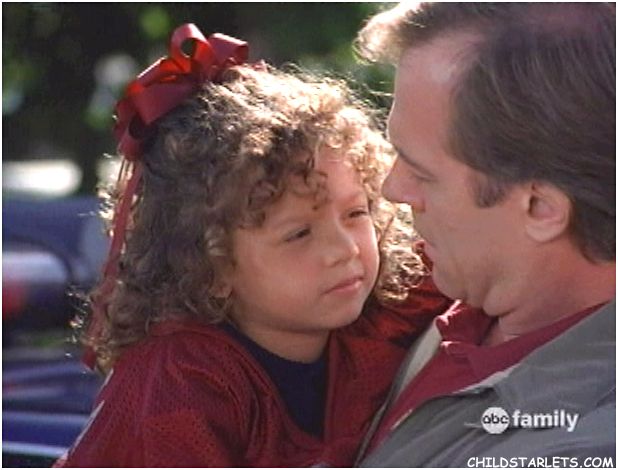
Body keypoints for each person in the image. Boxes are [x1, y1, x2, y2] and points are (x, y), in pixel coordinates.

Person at [56, 24, 452, 467]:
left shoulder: (378, 313)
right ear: (211, 265)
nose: (345, 249)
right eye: (299, 234)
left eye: (356, 213)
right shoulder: (181, 381)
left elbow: (484, 262)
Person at [353, 2, 616, 467]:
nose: (392, 189)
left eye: (422, 173)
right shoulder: (433, 292)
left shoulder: (579, 449)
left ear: (540, 208)